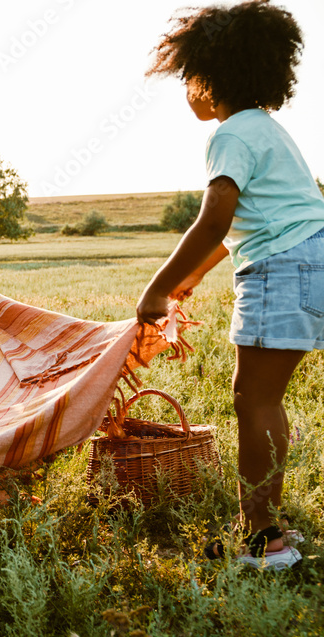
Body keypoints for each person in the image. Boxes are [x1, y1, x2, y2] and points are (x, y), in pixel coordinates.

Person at [136, 0, 323, 569]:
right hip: (309, 258)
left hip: (282, 268)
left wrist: (156, 289)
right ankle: (264, 526)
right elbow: (238, 228)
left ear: (213, 79)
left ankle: (262, 539)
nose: (188, 90)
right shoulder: (266, 129)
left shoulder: (231, 135)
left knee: (254, 398)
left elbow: (214, 218)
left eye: (191, 79)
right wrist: (193, 277)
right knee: (264, 396)